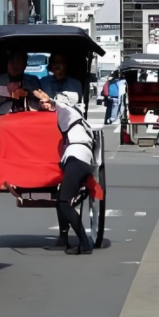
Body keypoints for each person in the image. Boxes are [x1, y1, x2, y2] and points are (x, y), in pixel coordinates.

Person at [47, 98, 97, 255]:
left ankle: (84, 242)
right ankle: (63, 239)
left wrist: (48, 100)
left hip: (76, 160)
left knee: (64, 203)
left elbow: (61, 105)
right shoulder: (82, 124)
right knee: (61, 200)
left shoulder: (71, 114)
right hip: (81, 160)